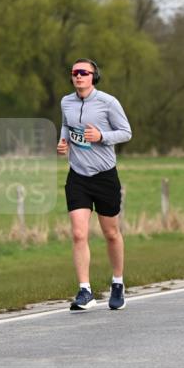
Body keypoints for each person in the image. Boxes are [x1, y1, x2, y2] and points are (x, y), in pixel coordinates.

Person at [57, 59, 132, 310]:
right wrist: (63, 142)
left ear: (94, 76)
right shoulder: (66, 102)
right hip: (77, 176)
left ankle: (118, 283)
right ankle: (85, 291)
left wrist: (101, 136)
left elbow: (126, 132)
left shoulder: (108, 102)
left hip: (104, 176)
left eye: (84, 72)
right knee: (79, 233)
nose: (78, 76)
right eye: (74, 73)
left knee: (111, 233)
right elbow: (66, 125)